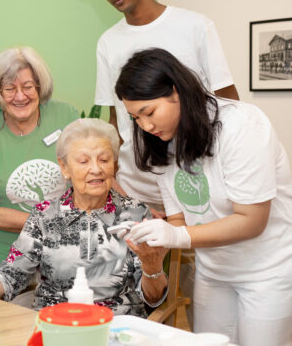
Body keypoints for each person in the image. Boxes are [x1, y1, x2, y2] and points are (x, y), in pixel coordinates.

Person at [115, 48, 292, 345]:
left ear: (176, 91)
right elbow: (179, 218)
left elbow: (252, 221)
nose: (145, 126)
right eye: (136, 118)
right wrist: (154, 236)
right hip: (213, 270)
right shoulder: (163, 140)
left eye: (150, 112)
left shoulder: (242, 126)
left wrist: (177, 236)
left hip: (267, 272)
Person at [80, 0, 239, 213]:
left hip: (195, 177)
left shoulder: (195, 26)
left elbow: (228, 102)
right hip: (137, 185)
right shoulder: (108, 42)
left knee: (200, 241)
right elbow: (115, 117)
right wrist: (111, 173)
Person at [0, 118, 168, 314]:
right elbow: (11, 276)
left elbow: (153, 298)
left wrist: (152, 266)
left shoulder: (136, 214)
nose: (96, 169)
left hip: (115, 324)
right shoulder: (45, 215)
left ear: (114, 165)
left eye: (104, 159)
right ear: (64, 168)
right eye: (84, 161)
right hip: (54, 323)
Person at [0, 47, 79, 269]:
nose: (20, 96)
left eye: (27, 87)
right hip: (8, 256)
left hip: (65, 251)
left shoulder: (65, 116)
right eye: (10, 89)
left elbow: (93, 170)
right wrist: (52, 223)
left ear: (39, 86)